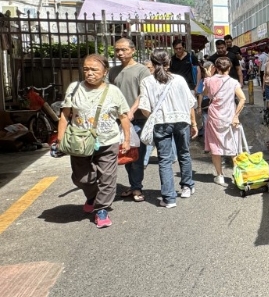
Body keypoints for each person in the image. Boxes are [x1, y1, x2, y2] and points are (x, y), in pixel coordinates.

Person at [57, 54, 131, 228]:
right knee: (81, 178)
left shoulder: (114, 91)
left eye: (94, 70)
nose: (89, 73)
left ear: (105, 71)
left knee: (107, 178)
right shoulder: (74, 88)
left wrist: (126, 139)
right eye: (86, 69)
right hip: (79, 142)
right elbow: (65, 115)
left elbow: (124, 116)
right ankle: (92, 195)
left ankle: (101, 209)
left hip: (108, 141)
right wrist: (60, 139)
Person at [138, 49, 198, 208]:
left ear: (151, 63)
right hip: (182, 121)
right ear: (168, 62)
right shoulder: (179, 80)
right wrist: (194, 123)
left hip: (160, 123)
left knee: (164, 159)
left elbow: (144, 107)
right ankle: (187, 186)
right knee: (184, 153)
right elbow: (190, 103)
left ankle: (169, 198)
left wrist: (154, 116)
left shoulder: (146, 82)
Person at [108, 37, 150, 202]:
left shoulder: (142, 70)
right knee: (125, 154)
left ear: (133, 50)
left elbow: (143, 93)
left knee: (137, 155)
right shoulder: (113, 71)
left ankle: (137, 187)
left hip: (138, 119)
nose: (120, 53)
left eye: (124, 49)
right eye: (117, 50)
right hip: (119, 121)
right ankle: (133, 185)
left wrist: (132, 110)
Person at [204, 56, 246, 186]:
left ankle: (220, 175)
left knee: (215, 147)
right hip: (229, 117)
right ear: (229, 68)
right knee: (232, 145)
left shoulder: (209, 81)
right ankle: (236, 174)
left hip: (214, 117)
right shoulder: (233, 82)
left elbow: (206, 94)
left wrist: (208, 77)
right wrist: (236, 116)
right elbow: (242, 99)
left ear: (215, 68)